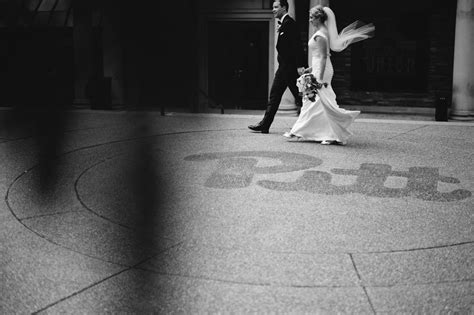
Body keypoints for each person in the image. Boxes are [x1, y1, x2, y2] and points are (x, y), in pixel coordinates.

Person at [283, 5, 374, 145]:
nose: (310, 20)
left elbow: (324, 57)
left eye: (312, 17)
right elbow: (320, 56)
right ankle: (303, 131)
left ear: (319, 18)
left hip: (323, 71)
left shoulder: (320, 35)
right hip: (319, 68)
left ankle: (307, 132)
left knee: (315, 99)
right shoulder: (321, 32)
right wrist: (311, 69)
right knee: (316, 101)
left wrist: (318, 77)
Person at [248, 0, 306, 134]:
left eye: (275, 7)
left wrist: (299, 66)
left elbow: (297, 46)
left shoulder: (290, 23)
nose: (273, 10)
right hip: (283, 69)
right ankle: (265, 125)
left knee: (300, 98)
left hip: (290, 69)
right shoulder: (285, 24)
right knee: (274, 96)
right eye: (272, 7)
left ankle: (312, 123)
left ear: (284, 8)